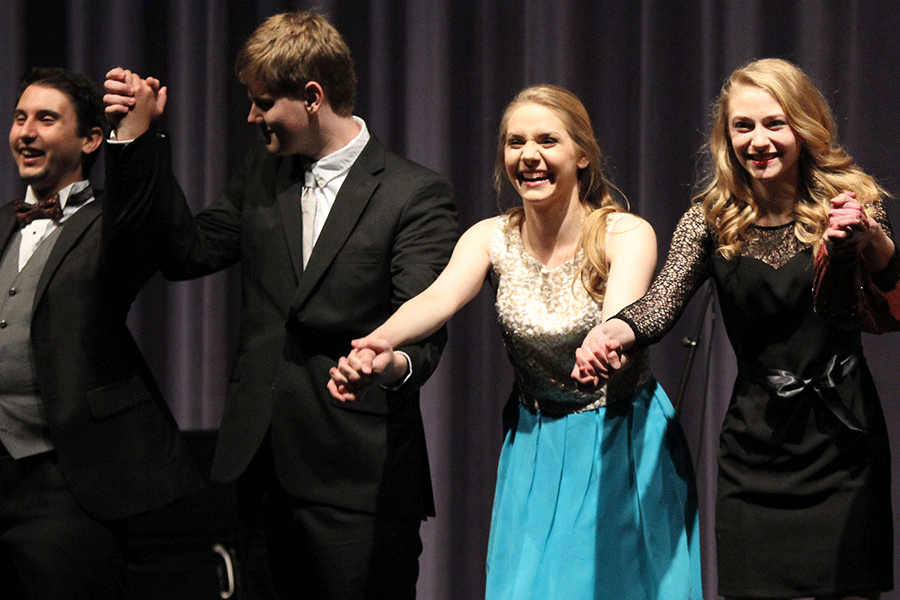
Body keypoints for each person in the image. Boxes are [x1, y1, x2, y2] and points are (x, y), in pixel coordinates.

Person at [103, 10, 458, 600]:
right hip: (259, 475)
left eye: (264, 102)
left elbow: (423, 327)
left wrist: (388, 366)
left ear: (313, 96)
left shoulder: (412, 192)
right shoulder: (262, 175)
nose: (251, 116)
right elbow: (185, 252)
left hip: (356, 480)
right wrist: (142, 143)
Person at [329, 84, 701, 600]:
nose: (529, 156)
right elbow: (436, 300)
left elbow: (624, 314)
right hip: (535, 441)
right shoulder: (490, 237)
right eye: (515, 142)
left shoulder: (625, 234)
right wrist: (375, 342)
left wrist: (604, 345)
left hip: (620, 435)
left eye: (547, 140)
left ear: (583, 155)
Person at [573, 58, 898, 600]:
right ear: (726, 137)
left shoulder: (852, 202)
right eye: (742, 126)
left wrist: (868, 240)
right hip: (756, 446)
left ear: (804, 127)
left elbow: (892, 283)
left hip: (843, 442)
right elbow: (660, 304)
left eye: (775, 123)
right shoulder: (711, 217)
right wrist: (612, 332)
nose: (758, 140)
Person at [0, 67, 202, 599]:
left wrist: (132, 136)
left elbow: (140, 209)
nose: (26, 132)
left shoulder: (111, 223)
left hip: (66, 483)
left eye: (46, 119)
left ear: (90, 139)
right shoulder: (2, 224)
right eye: (20, 118)